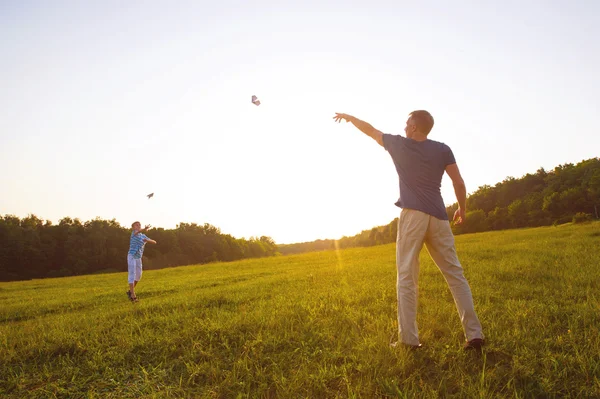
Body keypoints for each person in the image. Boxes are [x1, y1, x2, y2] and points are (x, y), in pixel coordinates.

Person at [333, 110, 484, 351]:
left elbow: (370, 130)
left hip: (413, 215)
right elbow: (459, 182)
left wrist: (350, 118)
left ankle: (409, 341)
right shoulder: (443, 149)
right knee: (455, 275)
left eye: (406, 123)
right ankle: (475, 335)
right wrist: (462, 210)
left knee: (406, 277)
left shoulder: (399, 144)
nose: (404, 127)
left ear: (414, 126)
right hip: (439, 216)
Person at [127, 221, 157, 302]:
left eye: (139, 225)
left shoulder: (143, 236)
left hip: (138, 258)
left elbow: (154, 242)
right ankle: (133, 296)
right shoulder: (134, 233)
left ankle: (130, 291)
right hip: (132, 256)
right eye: (136, 225)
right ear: (133, 228)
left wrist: (146, 240)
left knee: (139, 275)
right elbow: (139, 231)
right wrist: (144, 229)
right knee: (132, 274)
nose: (138, 226)